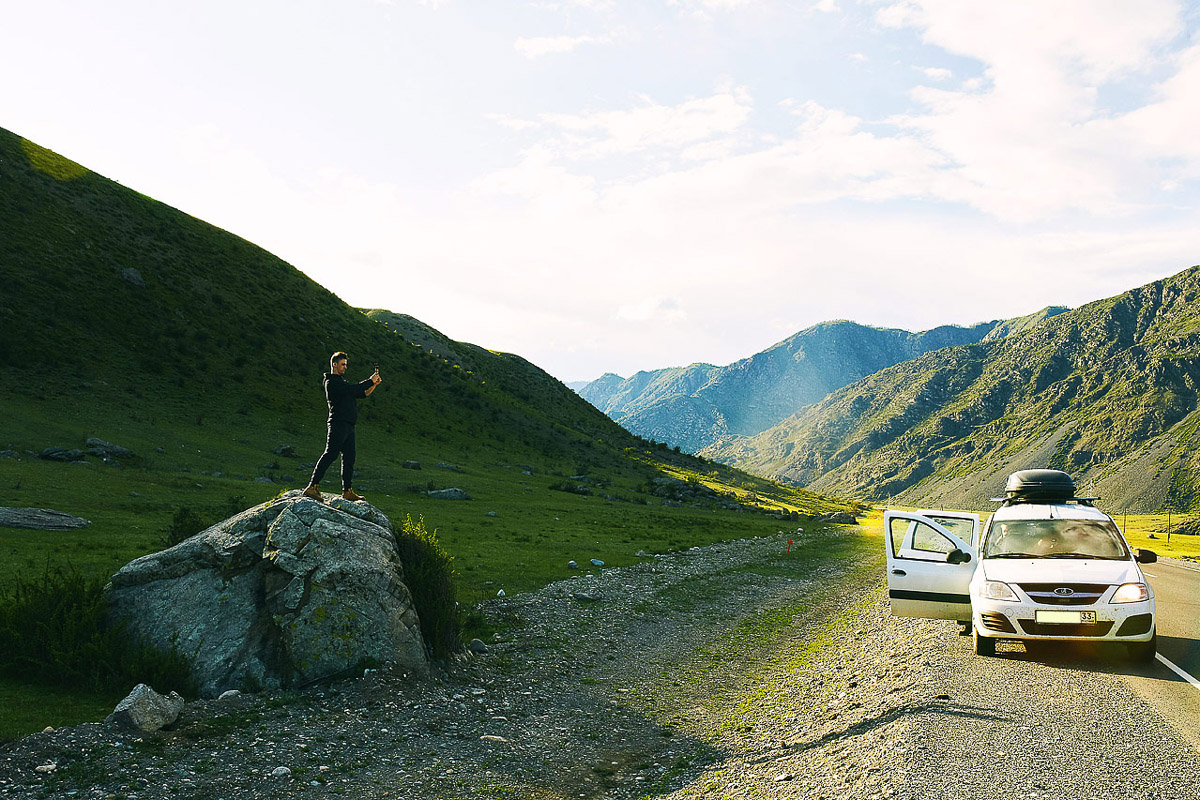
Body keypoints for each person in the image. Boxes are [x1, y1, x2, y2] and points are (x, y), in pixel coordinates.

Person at [302, 352, 381, 502]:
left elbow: (361, 394)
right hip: (338, 423)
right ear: (334, 364)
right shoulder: (331, 382)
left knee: (349, 457)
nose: (345, 367)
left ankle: (347, 491)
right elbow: (353, 390)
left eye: (346, 364)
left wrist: (374, 385)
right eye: (343, 364)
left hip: (349, 425)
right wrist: (370, 381)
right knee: (331, 454)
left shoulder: (341, 382)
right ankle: (312, 486)